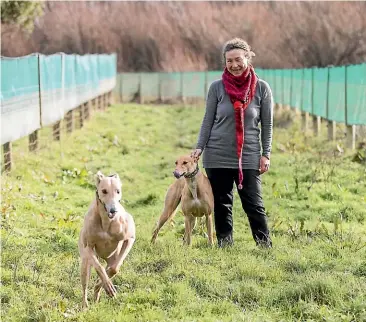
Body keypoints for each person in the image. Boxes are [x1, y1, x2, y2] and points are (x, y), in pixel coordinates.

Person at [191, 38, 273, 248]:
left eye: (238, 59)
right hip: (216, 155)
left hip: (248, 156)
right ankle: (225, 246)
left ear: (248, 58)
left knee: (254, 204)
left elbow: (267, 125)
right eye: (229, 61)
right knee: (221, 204)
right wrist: (199, 147)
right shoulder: (217, 88)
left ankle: (265, 246)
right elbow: (207, 120)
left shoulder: (262, 89)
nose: (234, 65)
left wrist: (266, 154)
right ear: (224, 62)